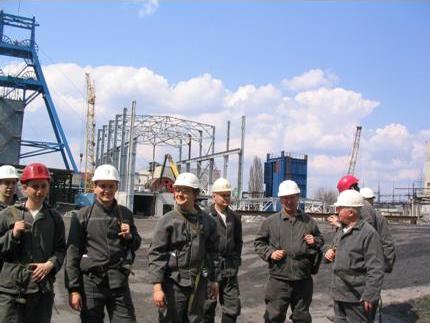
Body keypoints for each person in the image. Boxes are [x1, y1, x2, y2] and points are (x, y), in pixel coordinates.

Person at [65, 164, 142, 323]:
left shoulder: (125, 214)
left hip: (118, 281)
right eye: (102, 186)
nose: (106, 190)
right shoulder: (82, 216)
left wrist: (130, 236)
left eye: (111, 186)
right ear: (94, 187)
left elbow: (136, 244)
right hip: (91, 283)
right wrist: (73, 289)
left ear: (116, 187)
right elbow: (73, 253)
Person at [148, 172, 220, 323]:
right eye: (177, 190)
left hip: (199, 284)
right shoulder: (166, 221)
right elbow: (156, 254)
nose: (179, 194)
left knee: (197, 319)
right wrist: (157, 287)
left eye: (185, 190)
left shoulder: (208, 222)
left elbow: (213, 253)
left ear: (196, 194)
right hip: (173, 285)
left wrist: (214, 280)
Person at [0, 162, 66, 322]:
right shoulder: (7, 214)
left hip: (41, 290)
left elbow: (61, 249)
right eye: (35, 186)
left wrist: (50, 264)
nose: (39, 191)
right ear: (24, 188)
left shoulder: (54, 218)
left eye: (43, 186)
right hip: (11, 291)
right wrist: (13, 235)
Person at [254, 180, 324, 323]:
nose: (289, 201)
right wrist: (270, 253)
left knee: (302, 318)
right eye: (285, 198)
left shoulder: (308, 221)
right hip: (279, 280)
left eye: (292, 197)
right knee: (274, 317)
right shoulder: (271, 222)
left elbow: (320, 239)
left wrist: (315, 241)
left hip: (302, 280)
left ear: (298, 197)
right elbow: (259, 243)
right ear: (280, 199)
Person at [324, 189, 384, 323]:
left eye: (340, 208)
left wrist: (370, 294)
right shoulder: (342, 230)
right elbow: (333, 249)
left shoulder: (368, 234)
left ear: (351, 212)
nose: (337, 210)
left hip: (358, 298)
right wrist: (328, 253)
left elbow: (376, 268)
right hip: (339, 294)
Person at [335, 176, 396, 273]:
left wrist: (339, 225)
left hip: (377, 258)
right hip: (376, 256)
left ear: (350, 190)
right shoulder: (362, 205)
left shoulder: (363, 207)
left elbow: (364, 234)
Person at [203, 178, 242, 323]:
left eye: (228, 195)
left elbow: (238, 242)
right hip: (211, 268)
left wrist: (236, 261)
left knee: (232, 308)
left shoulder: (235, 218)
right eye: (223, 195)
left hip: (230, 269)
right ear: (214, 196)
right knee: (207, 307)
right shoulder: (205, 216)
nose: (226, 198)